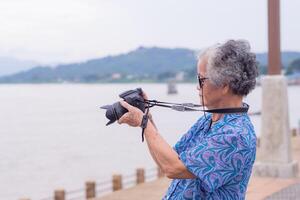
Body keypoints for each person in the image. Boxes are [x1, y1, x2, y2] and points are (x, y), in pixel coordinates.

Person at [118, 39, 259, 199]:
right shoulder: (211, 120)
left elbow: (173, 168)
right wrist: (147, 120)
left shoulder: (236, 136)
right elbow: (168, 160)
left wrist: (143, 122)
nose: (197, 87)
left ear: (224, 84)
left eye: (201, 79)